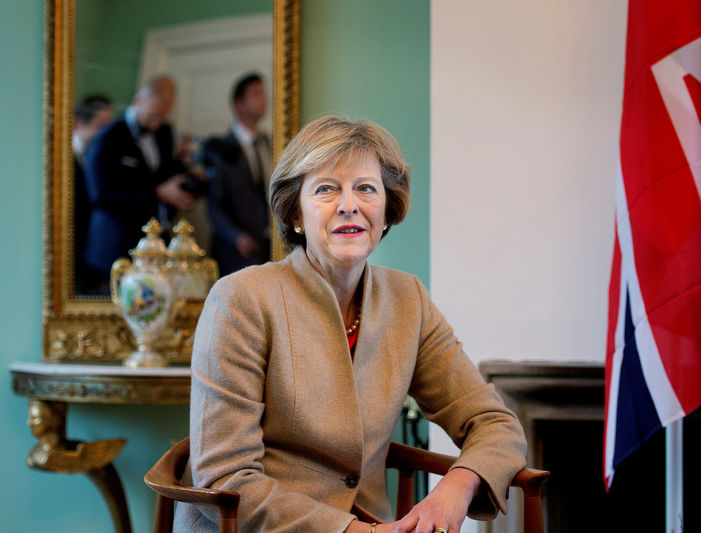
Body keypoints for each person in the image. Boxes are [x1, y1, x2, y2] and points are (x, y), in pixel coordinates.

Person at [175, 115, 528, 532]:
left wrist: (457, 486)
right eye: (326, 189)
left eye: (365, 188)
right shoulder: (241, 299)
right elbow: (227, 479)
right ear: (295, 214)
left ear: (386, 210)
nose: (349, 204)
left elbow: (496, 424)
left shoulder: (408, 299)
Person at [82, 75, 196, 292]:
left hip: (154, 244)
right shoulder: (107, 138)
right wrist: (158, 193)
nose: (157, 123)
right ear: (137, 101)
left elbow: (162, 175)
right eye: (153, 115)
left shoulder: (165, 131)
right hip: (114, 247)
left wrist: (180, 180)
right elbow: (100, 196)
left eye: (163, 116)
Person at [203, 72, 272, 276]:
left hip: (269, 250)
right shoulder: (219, 148)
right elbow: (214, 205)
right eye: (256, 93)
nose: (264, 99)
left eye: (264, 93)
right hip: (234, 253)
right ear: (239, 104)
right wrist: (236, 237)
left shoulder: (269, 143)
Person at [72, 94, 114, 293]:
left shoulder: (105, 159)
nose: (106, 134)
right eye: (100, 126)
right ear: (78, 124)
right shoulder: (63, 160)